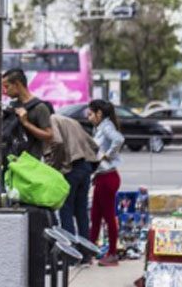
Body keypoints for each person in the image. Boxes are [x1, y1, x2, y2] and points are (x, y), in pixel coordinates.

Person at [47, 113, 99, 245]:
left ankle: (70, 253)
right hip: (86, 166)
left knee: (66, 209)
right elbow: (94, 145)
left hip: (71, 169)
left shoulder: (52, 119)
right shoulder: (72, 121)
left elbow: (57, 142)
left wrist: (54, 167)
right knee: (81, 211)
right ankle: (86, 252)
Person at [86, 99, 125, 267]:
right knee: (95, 216)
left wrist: (107, 155)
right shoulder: (100, 127)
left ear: (99, 114)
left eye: (90, 114)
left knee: (108, 217)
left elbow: (119, 139)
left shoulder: (107, 127)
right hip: (103, 177)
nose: (88, 118)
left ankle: (112, 254)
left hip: (108, 177)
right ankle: (89, 249)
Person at [1, 69, 53, 160]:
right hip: (11, 159)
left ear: (17, 84)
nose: (5, 91)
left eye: (7, 86)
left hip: (30, 162)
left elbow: (49, 135)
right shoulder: (12, 106)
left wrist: (26, 123)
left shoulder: (39, 107)